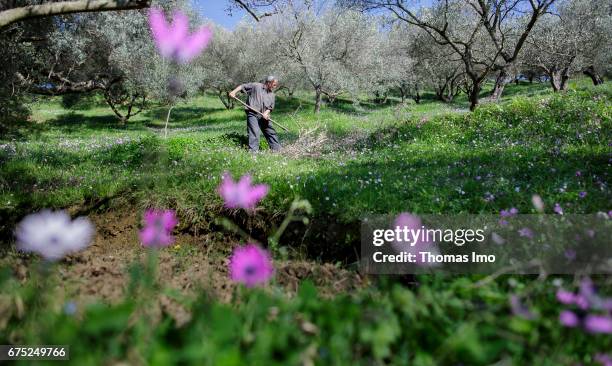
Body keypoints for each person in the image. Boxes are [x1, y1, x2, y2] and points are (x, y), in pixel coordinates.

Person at [229, 76, 281, 152]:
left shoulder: (272, 95)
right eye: (274, 84)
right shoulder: (256, 86)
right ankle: (253, 153)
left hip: (264, 117)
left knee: (271, 132)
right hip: (252, 114)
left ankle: (277, 150)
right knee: (254, 132)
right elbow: (242, 86)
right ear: (269, 83)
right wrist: (233, 92)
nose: (275, 86)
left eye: (276, 85)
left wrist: (266, 113)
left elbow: (270, 108)